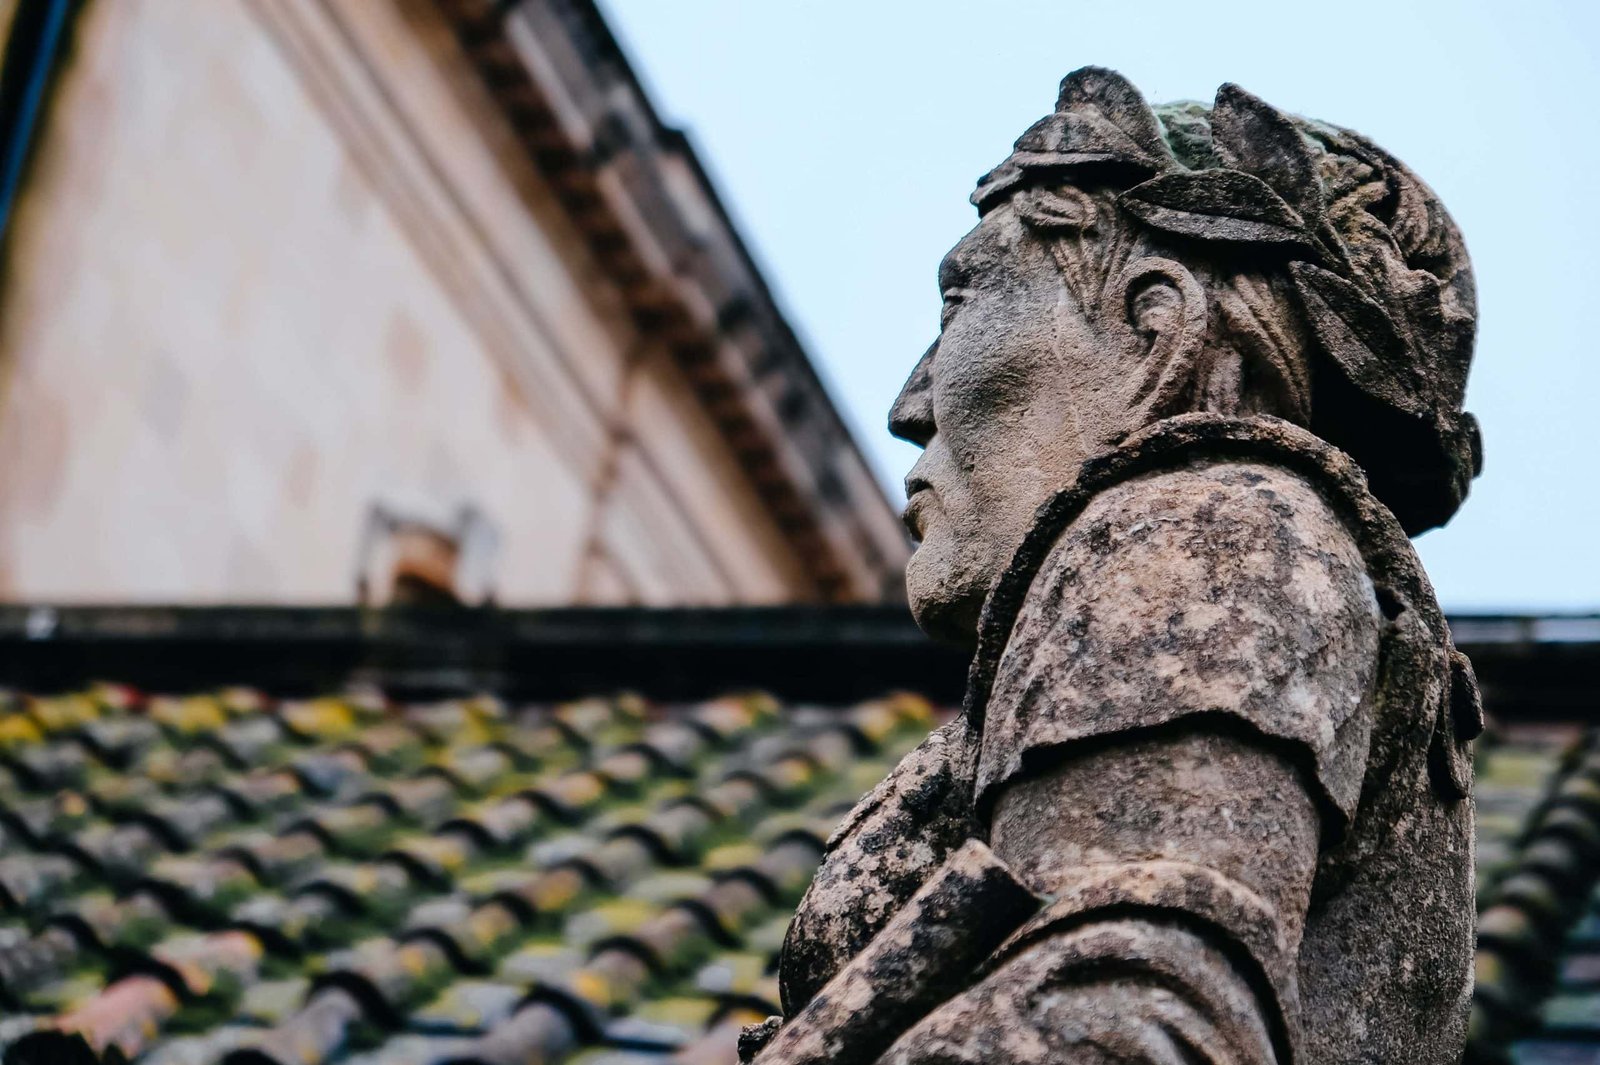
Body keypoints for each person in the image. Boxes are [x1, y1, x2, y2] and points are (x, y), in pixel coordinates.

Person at [771, 68, 1483, 1064]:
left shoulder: (1209, 528)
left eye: (962, 302)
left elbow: (1121, 1025)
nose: (911, 404)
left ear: (1156, 332)